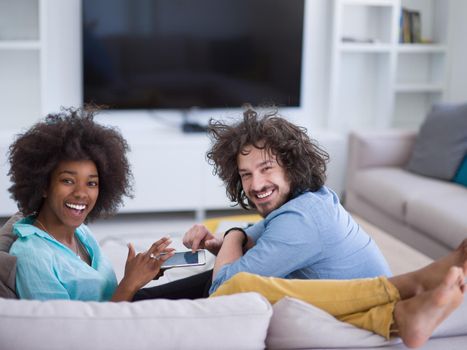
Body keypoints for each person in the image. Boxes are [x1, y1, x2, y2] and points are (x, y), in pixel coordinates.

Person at [181, 105, 390, 295]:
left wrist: (233, 235)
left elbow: (221, 289)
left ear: (290, 167)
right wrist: (220, 241)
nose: (256, 185)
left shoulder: (302, 220)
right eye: (246, 174)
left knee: (206, 285)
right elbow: (252, 244)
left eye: (266, 169)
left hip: (367, 323)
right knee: (160, 294)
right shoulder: (309, 200)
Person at [7, 108, 175, 301]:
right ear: (44, 185)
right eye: (68, 180)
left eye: (91, 183)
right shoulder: (33, 255)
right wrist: (130, 284)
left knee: (201, 286)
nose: (80, 193)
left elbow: (101, 299)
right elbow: (65, 329)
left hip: (121, 319)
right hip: (107, 329)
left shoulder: (81, 233)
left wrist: (135, 276)